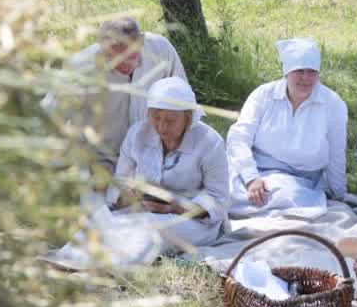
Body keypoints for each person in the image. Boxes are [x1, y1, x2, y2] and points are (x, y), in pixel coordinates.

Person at [45, 77, 228, 269]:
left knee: (151, 232)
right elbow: (119, 184)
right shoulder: (138, 134)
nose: (162, 127)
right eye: (156, 118)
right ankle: (64, 261)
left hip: (193, 220)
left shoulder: (210, 143)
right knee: (102, 220)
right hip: (144, 210)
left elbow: (219, 200)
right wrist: (127, 197)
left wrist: (174, 207)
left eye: (170, 120)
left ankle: (101, 269)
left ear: (188, 118)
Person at [42, 17, 187, 170]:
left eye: (131, 56)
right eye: (114, 58)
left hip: (154, 153)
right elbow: (49, 117)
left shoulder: (161, 49)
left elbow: (183, 99)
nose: (125, 64)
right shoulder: (80, 67)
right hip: (101, 159)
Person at [226, 38, 348, 213]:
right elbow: (238, 138)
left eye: (312, 72)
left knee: (284, 195)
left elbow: (336, 154)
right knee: (222, 190)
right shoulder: (263, 95)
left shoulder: (333, 104)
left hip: (298, 180)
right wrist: (251, 178)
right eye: (299, 71)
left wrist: (339, 195)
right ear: (287, 72)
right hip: (255, 168)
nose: (306, 78)